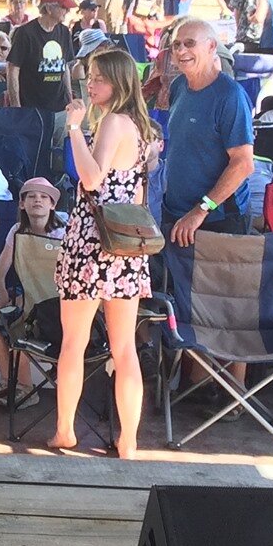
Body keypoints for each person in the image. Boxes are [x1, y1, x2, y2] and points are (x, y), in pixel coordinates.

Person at [52, 46, 160, 458]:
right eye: (89, 77)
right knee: (124, 347)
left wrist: (75, 129)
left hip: (93, 242)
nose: (90, 84)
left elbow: (93, 179)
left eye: (98, 78)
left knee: (74, 344)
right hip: (125, 245)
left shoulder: (113, 121)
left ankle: (65, 430)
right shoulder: (137, 126)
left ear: (118, 82)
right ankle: (128, 440)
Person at [162, 18, 255, 243]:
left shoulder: (229, 96)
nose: (182, 50)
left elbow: (243, 164)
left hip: (217, 220)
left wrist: (202, 209)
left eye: (190, 43)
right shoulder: (178, 87)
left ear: (211, 47)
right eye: (176, 44)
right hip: (176, 214)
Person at [0, 175, 65, 402]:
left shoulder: (64, 233)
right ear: (22, 203)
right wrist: (3, 297)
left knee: (20, 324)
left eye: (44, 197)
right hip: (28, 298)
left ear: (52, 204)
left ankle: (26, 389)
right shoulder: (16, 231)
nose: (38, 200)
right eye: (31, 196)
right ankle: (9, 381)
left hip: (58, 304)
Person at [6, 0, 75, 174]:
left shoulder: (64, 32)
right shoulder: (25, 33)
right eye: (63, 7)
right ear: (49, 8)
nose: (67, 11)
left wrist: (70, 99)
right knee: (33, 156)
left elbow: (65, 66)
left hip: (60, 108)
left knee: (58, 157)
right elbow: (13, 69)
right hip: (32, 109)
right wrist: (16, 106)